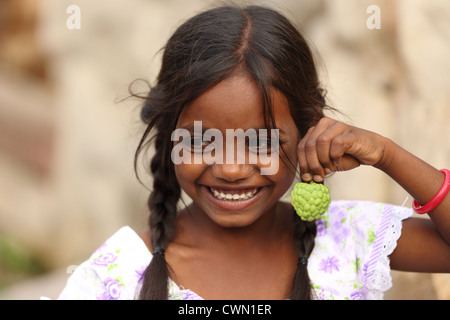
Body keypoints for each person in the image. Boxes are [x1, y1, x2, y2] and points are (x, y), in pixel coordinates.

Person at [57, 4, 450, 300]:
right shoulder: (118, 275)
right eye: (200, 141)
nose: (230, 169)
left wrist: (386, 153)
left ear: (307, 132)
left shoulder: (347, 238)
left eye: (260, 142)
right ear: (169, 134)